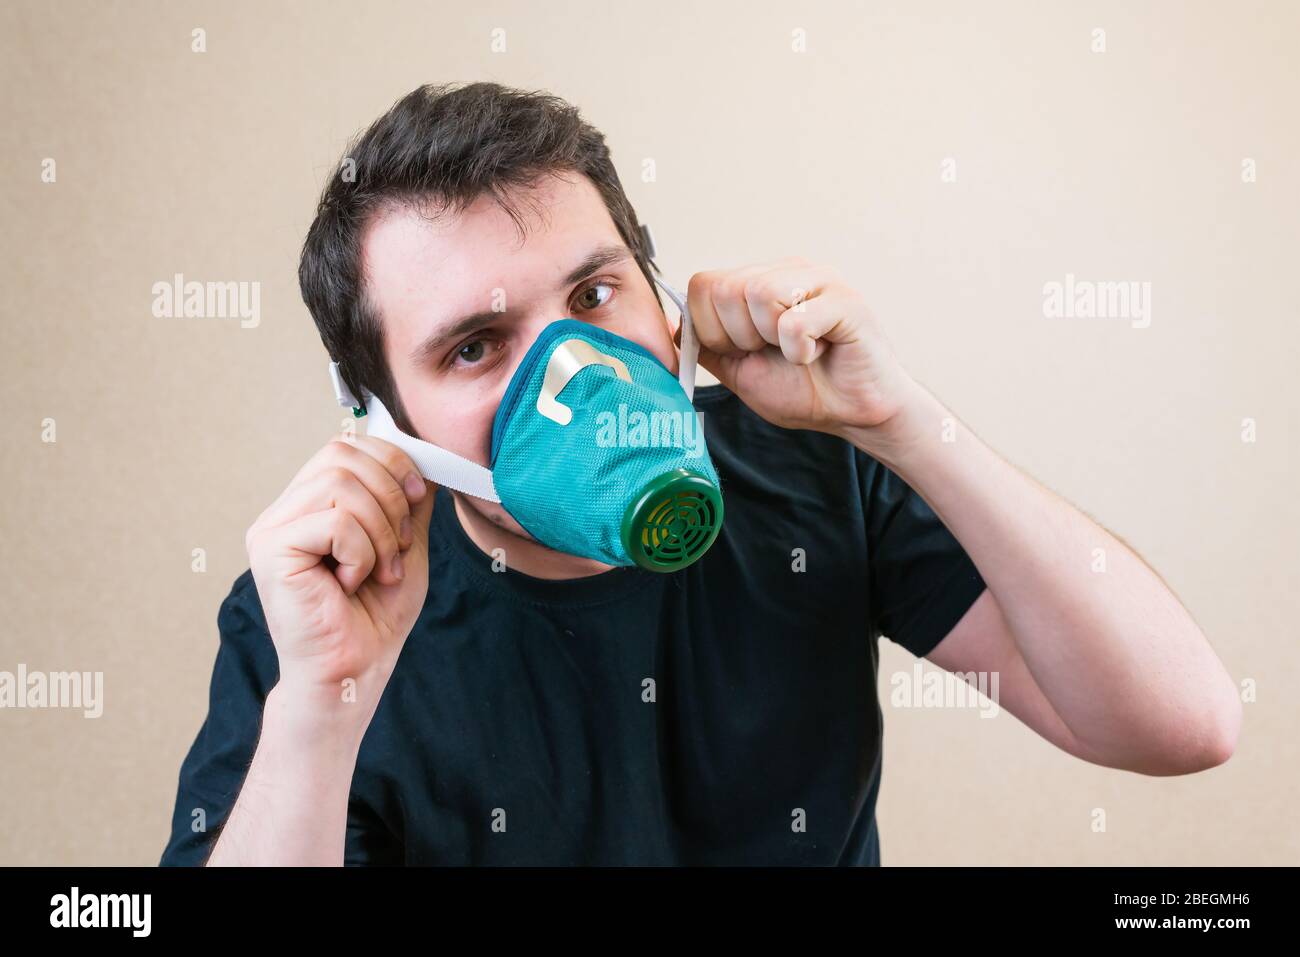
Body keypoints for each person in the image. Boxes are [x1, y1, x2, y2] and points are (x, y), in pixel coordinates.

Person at [160, 81, 1240, 866]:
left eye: (593, 298)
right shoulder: (316, 620)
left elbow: (1184, 725)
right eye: (476, 346)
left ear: (661, 301)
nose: (575, 374)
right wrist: (320, 708)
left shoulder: (812, 471)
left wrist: (901, 421)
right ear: (379, 419)